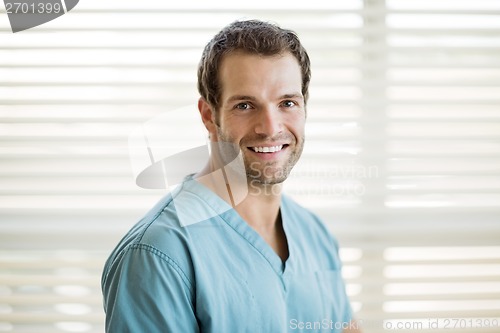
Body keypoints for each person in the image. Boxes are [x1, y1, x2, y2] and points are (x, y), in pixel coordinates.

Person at [102, 20, 361, 333]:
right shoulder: (158, 254)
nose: (270, 127)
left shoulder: (315, 235)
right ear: (209, 116)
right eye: (245, 105)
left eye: (287, 103)